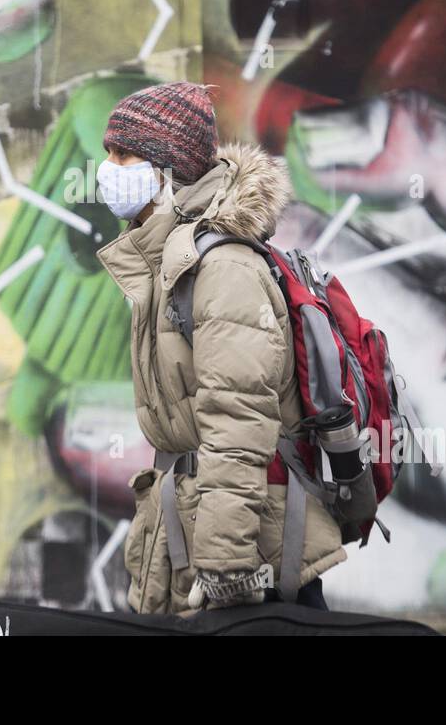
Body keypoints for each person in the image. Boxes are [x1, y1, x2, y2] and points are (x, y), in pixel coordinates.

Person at [94, 81, 347, 615]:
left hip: (252, 555)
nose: (108, 167)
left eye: (124, 153)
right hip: (192, 528)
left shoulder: (223, 269)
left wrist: (227, 566)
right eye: (107, 152)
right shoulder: (169, 260)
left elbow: (237, 425)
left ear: (169, 170)